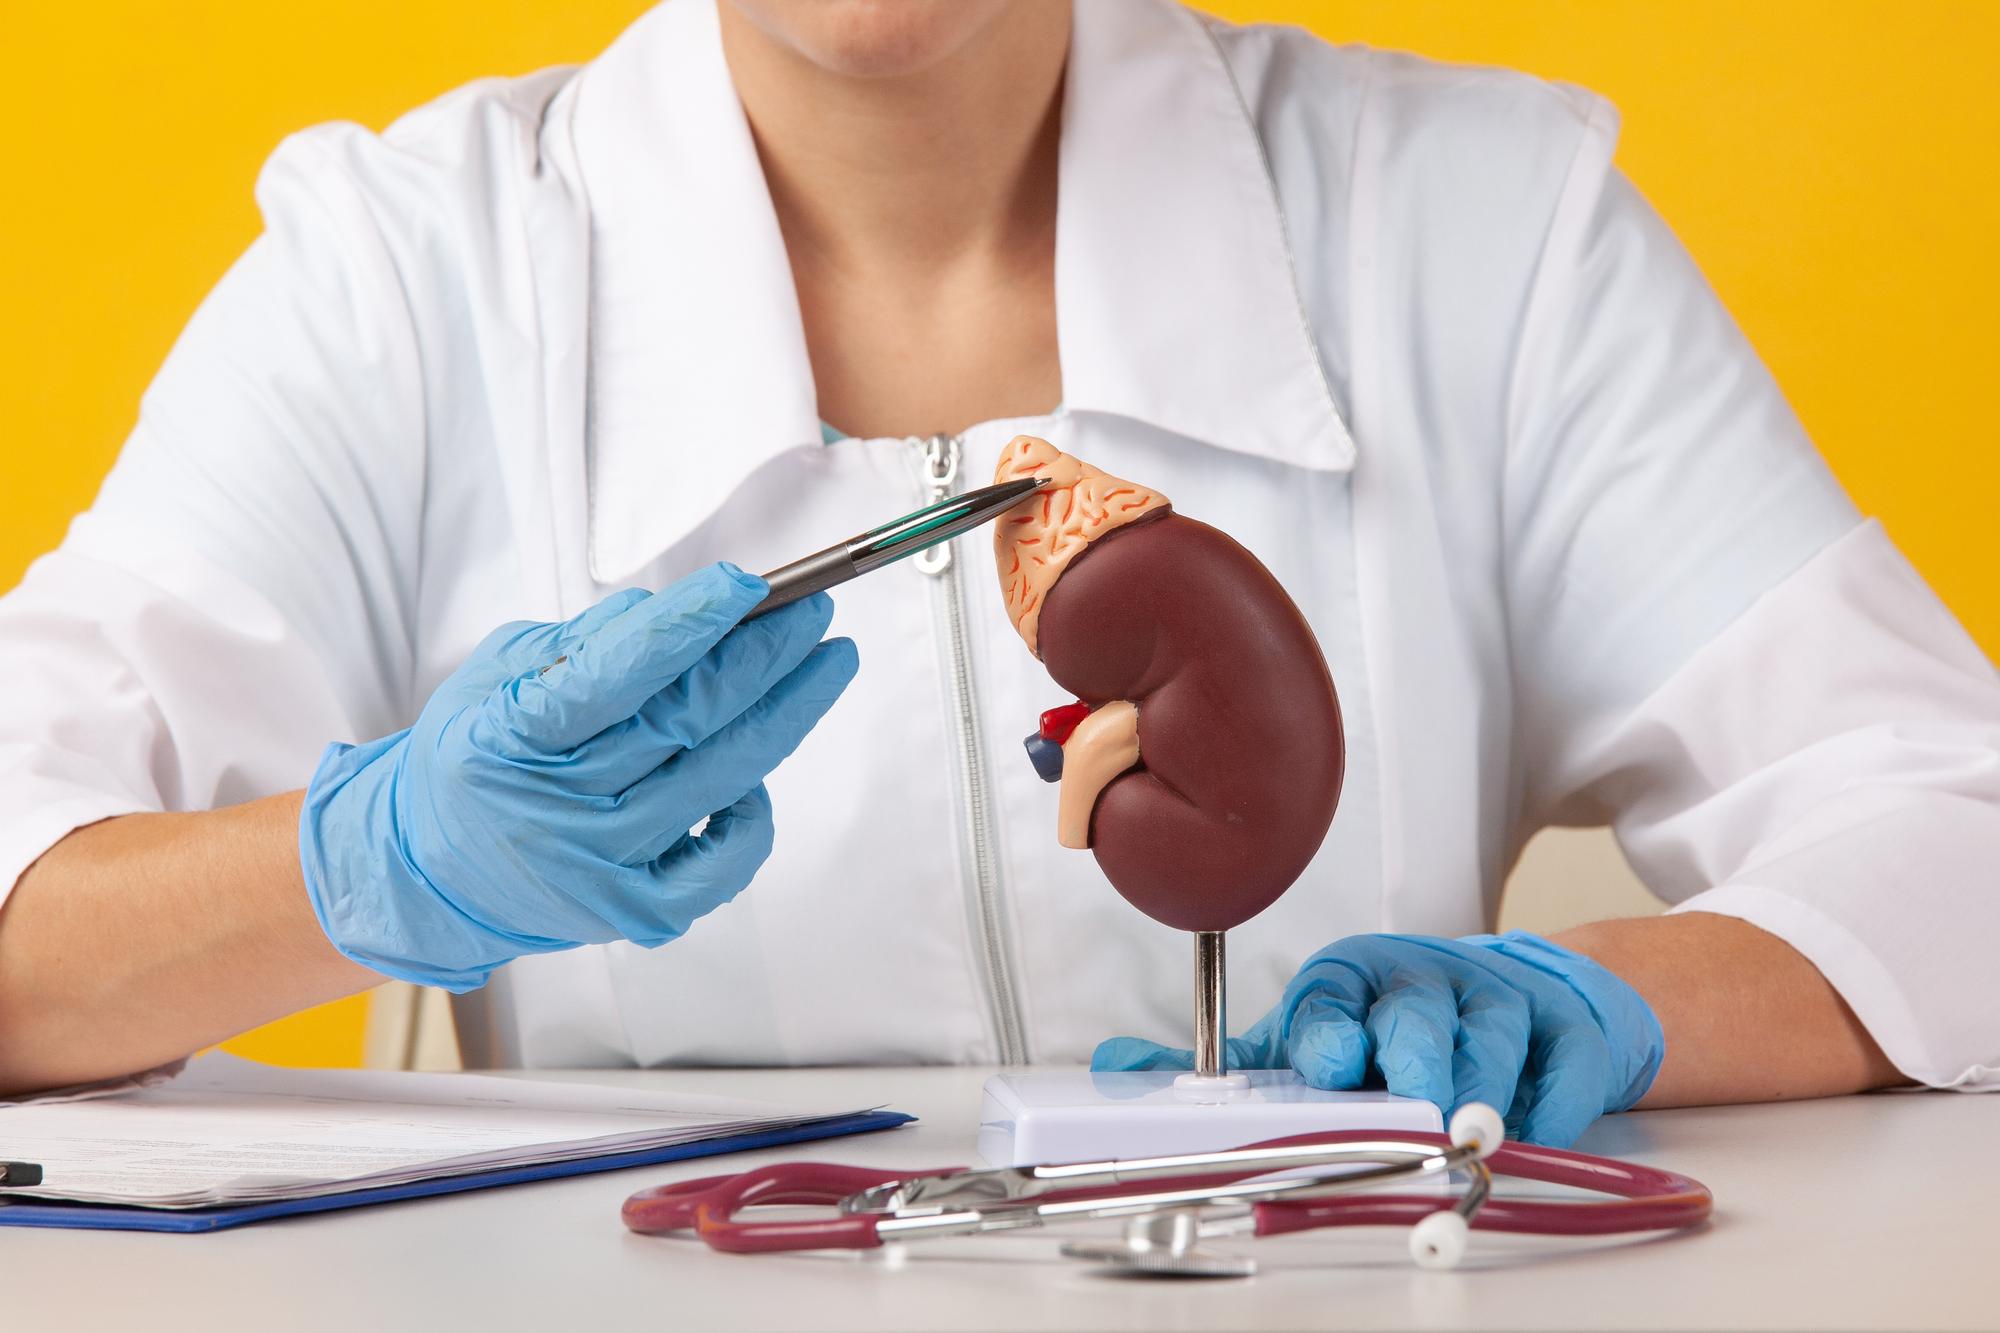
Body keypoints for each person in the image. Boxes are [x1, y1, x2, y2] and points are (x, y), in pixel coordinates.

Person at [0, 0, 1993, 1141]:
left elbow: (1952, 828)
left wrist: (1605, 999)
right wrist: (375, 870)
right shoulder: (404, 279)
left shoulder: (1478, 229)